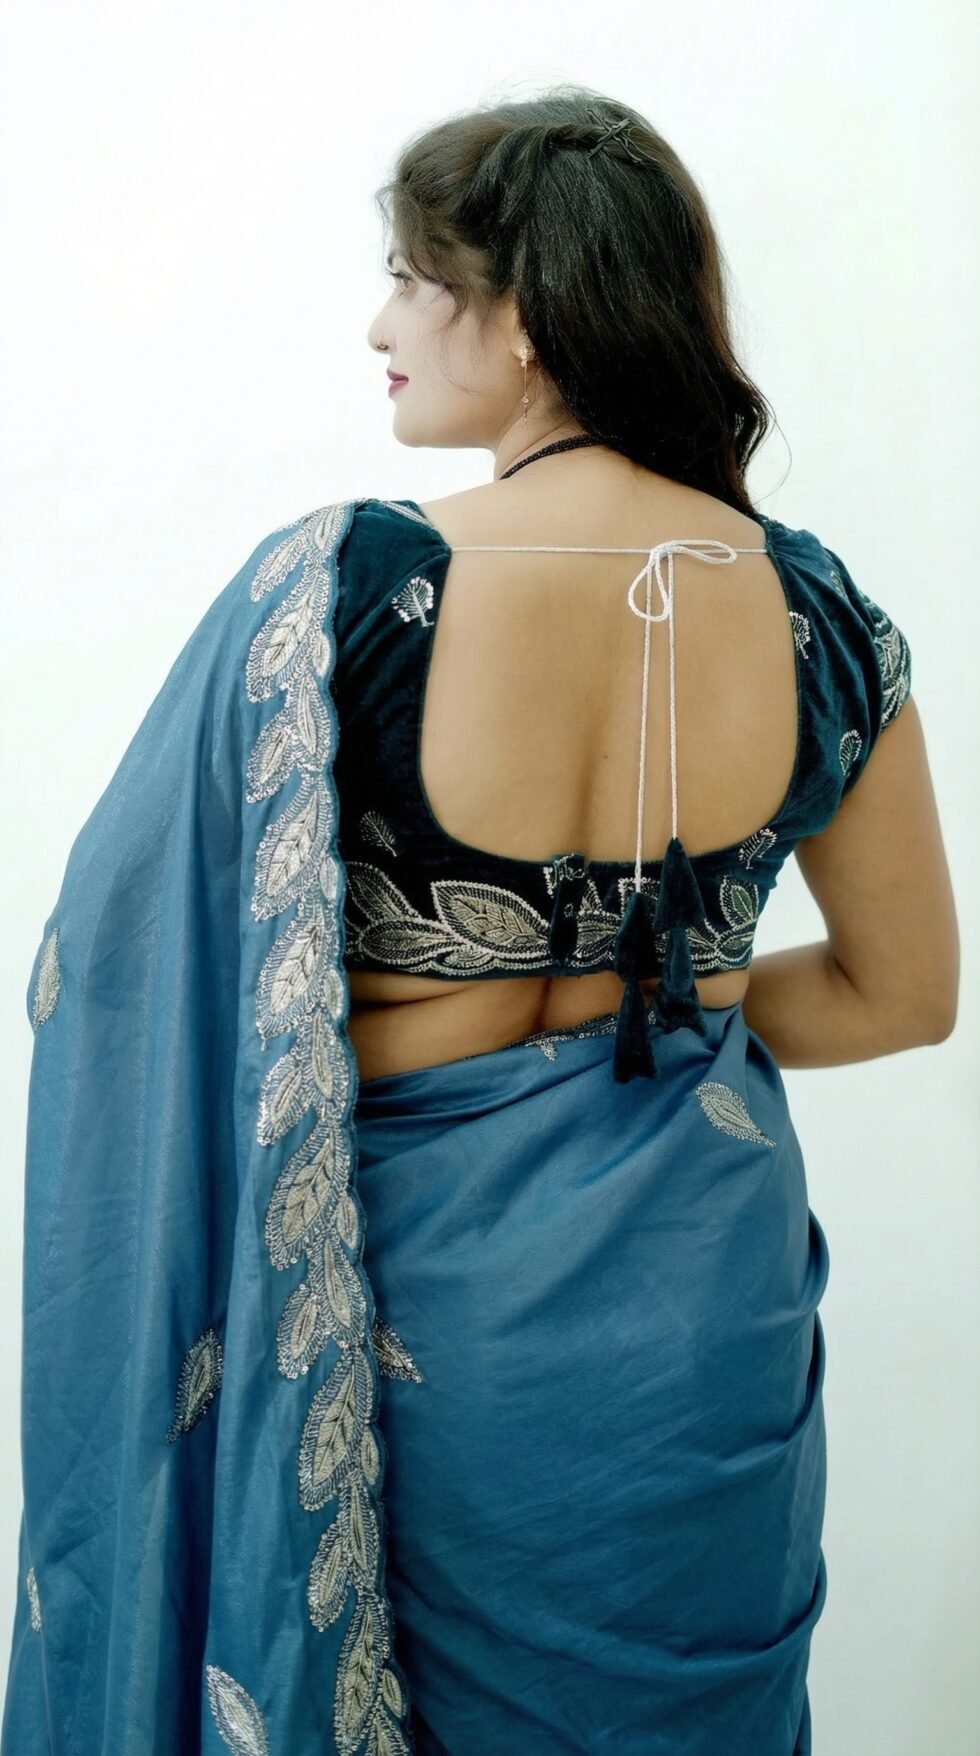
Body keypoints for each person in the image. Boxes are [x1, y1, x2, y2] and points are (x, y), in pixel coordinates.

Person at [1, 87, 958, 1756]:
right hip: (703, 1324)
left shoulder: (336, 593)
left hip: (419, 1325)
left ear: (521, 317)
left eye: (409, 277)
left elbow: (116, 973)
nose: (381, 325)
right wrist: (674, 1004)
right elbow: (904, 993)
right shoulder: (821, 614)